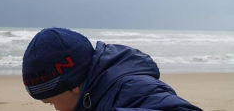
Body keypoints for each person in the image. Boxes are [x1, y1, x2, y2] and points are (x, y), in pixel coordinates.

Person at [22, 27, 202, 111]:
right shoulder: (91, 96)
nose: (55, 109)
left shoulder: (133, 87)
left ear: (72, 86)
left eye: (52, 102)